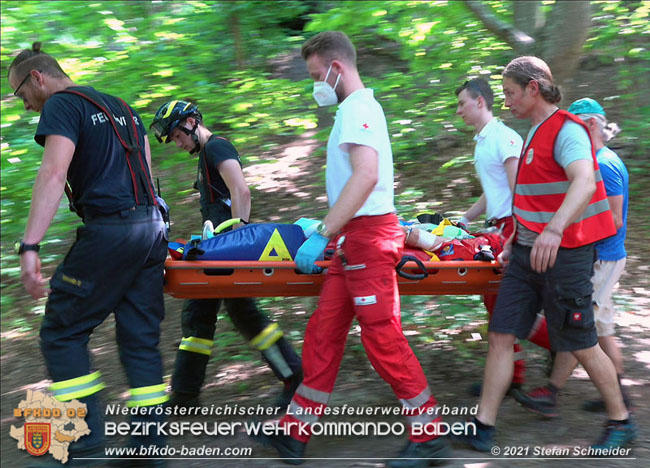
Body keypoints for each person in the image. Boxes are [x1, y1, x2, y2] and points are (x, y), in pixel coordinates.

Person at [255, 31, 451, 467]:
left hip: (365, 236)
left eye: (314, 75)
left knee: (382, 337)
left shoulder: (358, 109)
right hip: (353, 238)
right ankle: (295, 433)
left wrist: (323, 231)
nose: (314, 85)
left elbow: (365, 177)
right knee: (323, 333)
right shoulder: (357, 110)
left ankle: (430, 434)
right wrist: (332, 232)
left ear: (335, 67)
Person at [451, 56, 636, 452]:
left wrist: (554, 230)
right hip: (523, 254)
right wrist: (513, 241)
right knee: (501, 333)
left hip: (566, 253)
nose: (507, 102)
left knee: (582, 342)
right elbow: (529, 199)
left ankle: (621, 420)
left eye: (511, 93)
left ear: (534, 88)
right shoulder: (533, 132)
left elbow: (584, 183)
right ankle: (483, 426)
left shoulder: (567, 131)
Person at [9, 42, 169, 466]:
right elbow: (148, 179)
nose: (26, 107)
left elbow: (54, 170)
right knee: (140, 339)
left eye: (22, 96)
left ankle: (84, 446)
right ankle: (149, 452)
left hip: (111, 232)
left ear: (38, 78)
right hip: (151, 229)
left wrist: (30, 245)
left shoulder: (61, 105)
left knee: (61, 332)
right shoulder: (125, 108)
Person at [149, 100, 302, 409]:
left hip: (227, 252)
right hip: (218, 249)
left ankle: (296, 378)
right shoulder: (207, 153)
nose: (177, 144)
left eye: (177, 136)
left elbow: (241, 191)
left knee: (241, 314)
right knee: (201, 316)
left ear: (191, 122)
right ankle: (185, 396)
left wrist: (238, 236)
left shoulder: (217, 147)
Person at [516, 97, 631, 417]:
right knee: (601, 329)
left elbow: (614, 219)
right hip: (602, 256)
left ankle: (552, 393)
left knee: (577, 328)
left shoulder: (604, 164)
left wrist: (567, 235)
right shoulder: (598, 159)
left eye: (578, 128)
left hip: (601, 257)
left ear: (591, 125)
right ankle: (621, 395)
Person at [454, 78, 551, 396]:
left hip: (512, 227)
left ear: (480, 102)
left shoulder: (504, 138)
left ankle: (563, 343)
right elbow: (491, 191)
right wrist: (464, 219)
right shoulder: (483, 141)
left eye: (462, 104)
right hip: (497, 226)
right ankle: (513, 375)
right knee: (494, 303)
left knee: (507, 306)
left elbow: (517, 188)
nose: (459, 111)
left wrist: (520, 232)